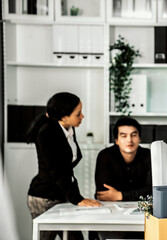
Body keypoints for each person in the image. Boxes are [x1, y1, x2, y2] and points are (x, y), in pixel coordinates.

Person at [27, 92, 101, 240]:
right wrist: (77, 199)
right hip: (45, 197)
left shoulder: (68, 129)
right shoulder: (47, 132)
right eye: (78, 114)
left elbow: (67, 169)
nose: (82, 117)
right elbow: (58, 170)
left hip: (61, 194)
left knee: (75, 238)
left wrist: (76, 197)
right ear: (64, 116)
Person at [94, 117, 151, 239]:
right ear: (116, 140)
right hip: (112, 212)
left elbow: (153, 191)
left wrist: (120, 195)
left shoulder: (149, 155)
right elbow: (104, 194)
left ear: (139, 138)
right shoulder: (105, 156)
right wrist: (137, 193)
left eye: (133, 135)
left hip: (142, 210)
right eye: (123, 136)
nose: (129, 140)